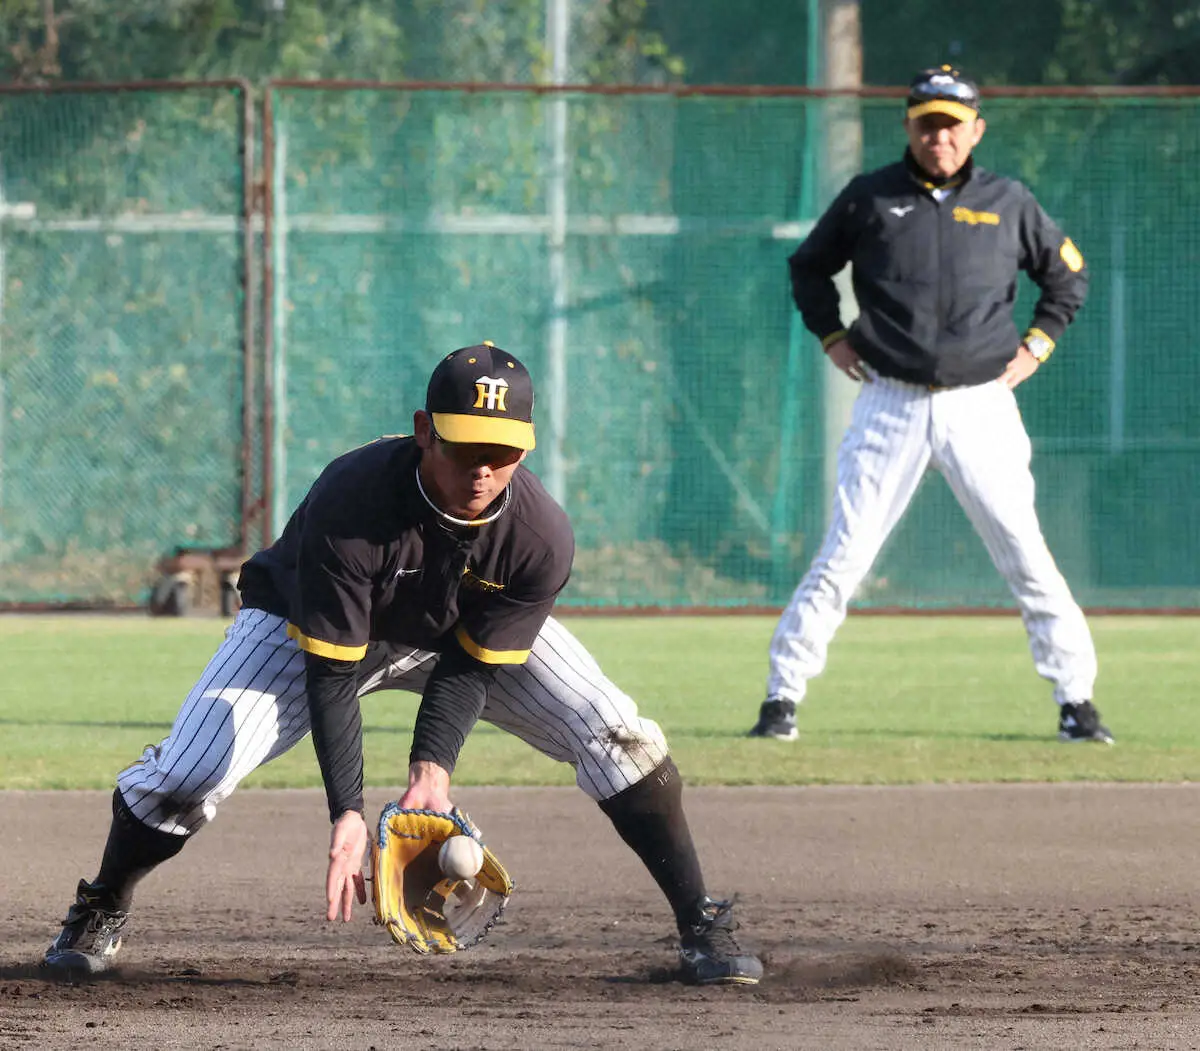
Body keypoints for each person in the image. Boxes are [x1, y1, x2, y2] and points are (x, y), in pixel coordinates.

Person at [44, 342, 762, 987]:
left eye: (503, 449)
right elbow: (332, 674)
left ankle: (701, 921)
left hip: (449, 637)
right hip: (303, 626)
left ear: (529, 447)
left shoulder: (540, 538)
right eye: (465, 445)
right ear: (425, 431)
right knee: (188, 771)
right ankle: (100, 904)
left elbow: (473, 665)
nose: (484, 467)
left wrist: (431, 773)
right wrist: (346, 814)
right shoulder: (354, 500)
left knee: (616, 732)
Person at [748, 65, 1112, 747]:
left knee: (1025, 554)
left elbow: (1068, 276)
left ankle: (1077, 701)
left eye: (951, 123)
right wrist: (830, 334)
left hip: (981, 403)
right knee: (845, 555)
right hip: (891, 402)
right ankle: (782, 696)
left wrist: (1037, 345)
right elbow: (808, 266)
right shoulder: (871, 197)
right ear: (909, 127)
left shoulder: (1009, 201)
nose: (938, 135)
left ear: (975, 129)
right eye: (926, 122)